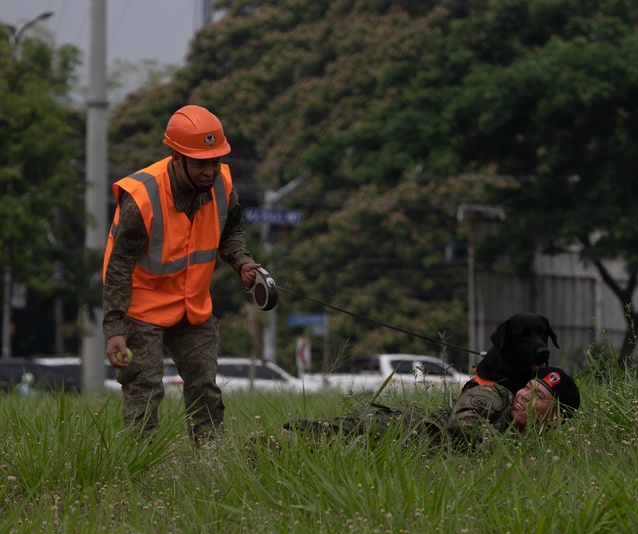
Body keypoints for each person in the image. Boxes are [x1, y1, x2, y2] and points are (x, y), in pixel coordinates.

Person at [103, 105, 263, 443]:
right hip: (142, 311)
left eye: (215, 161)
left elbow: (231, 232)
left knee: (204, 387)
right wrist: (115, 327)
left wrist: (243, 263)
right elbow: (117, 268)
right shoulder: (141, 198)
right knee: (144, 391)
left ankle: (209, 463)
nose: (210, 171)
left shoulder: (224, 184)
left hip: (193, 308)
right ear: (177, 158)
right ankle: (137, 466)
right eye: (201, 163)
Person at [276, 366, 581, 451]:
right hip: (398, 428)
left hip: (404, 456)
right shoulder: (496, 394)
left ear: (556, 419)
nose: (524, 396)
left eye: (537, 395)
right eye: (527, 386)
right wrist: (509, 452)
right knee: (313, 436)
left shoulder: (540, 452)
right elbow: (464, 422)